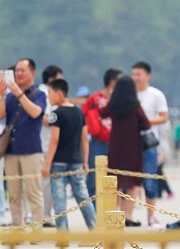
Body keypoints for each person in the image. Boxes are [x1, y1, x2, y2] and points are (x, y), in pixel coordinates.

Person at [41, 79, 96, 231]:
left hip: (59, 162)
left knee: (60, 200)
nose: (49, 98)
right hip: (77, 161)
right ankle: (94, 228)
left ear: (59, 93)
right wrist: (85, 161)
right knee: (83, 198)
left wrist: (47, 164)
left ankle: (63, 235)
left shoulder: (55, 114)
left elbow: (54, 140)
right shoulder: (79, 112)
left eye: (50, 94)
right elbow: (84, 139)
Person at [0, 58, 47, 231]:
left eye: (22, 70)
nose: (18, 74)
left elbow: (36, 112)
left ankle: (36, 230)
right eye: (16, 71)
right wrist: (3, 95)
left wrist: (18, 93)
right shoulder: (11, 97)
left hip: (31, 150)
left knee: (33, 192)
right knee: (14, 193)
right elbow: (1, 114)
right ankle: (17, 229)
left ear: (32, 73)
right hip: (11, 150)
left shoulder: (39, 94)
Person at [101, 76, 151, 227]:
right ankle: (128, 216)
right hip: (133, 148)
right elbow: (146, 124)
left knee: (114, 181)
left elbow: (102, 113)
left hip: (115, 147)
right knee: (131, 183)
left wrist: (109, 97)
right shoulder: (135, 106)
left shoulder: (114, 105)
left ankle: (115, 214)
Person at [132, 61, 169, 226]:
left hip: (148, 142)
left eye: (138, 74)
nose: (135, 78)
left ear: (148, 76)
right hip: (131, 142)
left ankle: (151, 217)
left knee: (149, 181)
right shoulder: (129, 94)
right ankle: (129, 216)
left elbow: (164, 117)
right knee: (130, 181)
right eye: (133, 74)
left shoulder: (156, 95)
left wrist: (145, 122)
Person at [82, 68, 121, 199]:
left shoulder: (120, 98)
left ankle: (111, 207)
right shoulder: (95, 98)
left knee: (115, 177)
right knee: (94, 176)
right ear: (112, 81)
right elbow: (83, 113)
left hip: (116, 143)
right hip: (98, 142)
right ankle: (94, 209)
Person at [39, 64, 64, 227]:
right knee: (45, 181)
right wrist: (63, 119)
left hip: (49, 143)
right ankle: (44, 215)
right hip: (45, 142)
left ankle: (46, 214)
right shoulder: (43, 93)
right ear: (51, 80)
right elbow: (44, 117)